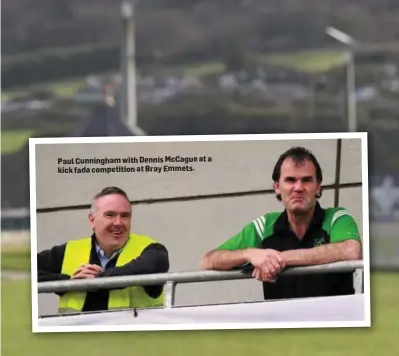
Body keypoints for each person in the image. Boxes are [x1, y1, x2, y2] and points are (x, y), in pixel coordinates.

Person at [201, 146, 362, 299]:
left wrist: (278, 259)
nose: (298, 187)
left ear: (318, 187)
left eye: (306, 180)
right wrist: (251, 254)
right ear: (277, 187)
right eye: (290, 180)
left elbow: (351, 251)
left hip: (334, 324)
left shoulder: (336, 218)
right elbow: (209, 260)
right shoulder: (264, 226)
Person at [38, 186, 169, 312]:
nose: (118, 222)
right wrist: (67, 283)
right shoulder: (70, 251)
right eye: (110, 215)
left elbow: (155, 264)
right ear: (92, 220)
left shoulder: (150, 249)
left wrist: (99, 279)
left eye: (124, 216)